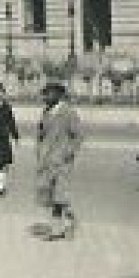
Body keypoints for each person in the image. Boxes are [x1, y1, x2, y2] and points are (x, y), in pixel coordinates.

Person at [35, 81, 85, 240]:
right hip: (47, 160)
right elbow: (41, 134)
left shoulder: (68, 113)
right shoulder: (46, 112)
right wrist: (39, 151)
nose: (46, 97)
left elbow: (78, 136)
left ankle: (56, 231)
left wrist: (68, 153)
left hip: (62, 161)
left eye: (49, 93)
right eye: (45, 93)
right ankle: (69, 221)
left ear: (58, 95)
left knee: (59, 195)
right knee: (51, 195)